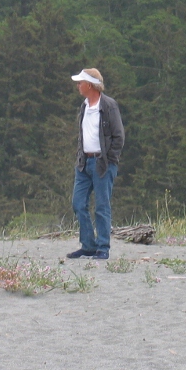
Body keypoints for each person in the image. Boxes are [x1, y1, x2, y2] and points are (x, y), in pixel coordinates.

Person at [67, 68, 124, 261]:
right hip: (84, 163)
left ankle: (103, 247)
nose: (78, 86)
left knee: (101, 205)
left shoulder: (109, 105)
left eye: (81, 82)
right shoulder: (84, 106)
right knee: (78, 203)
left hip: (103, 163)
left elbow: (119, 137)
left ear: (90, 85)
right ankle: (88, 245)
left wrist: (109, 159)